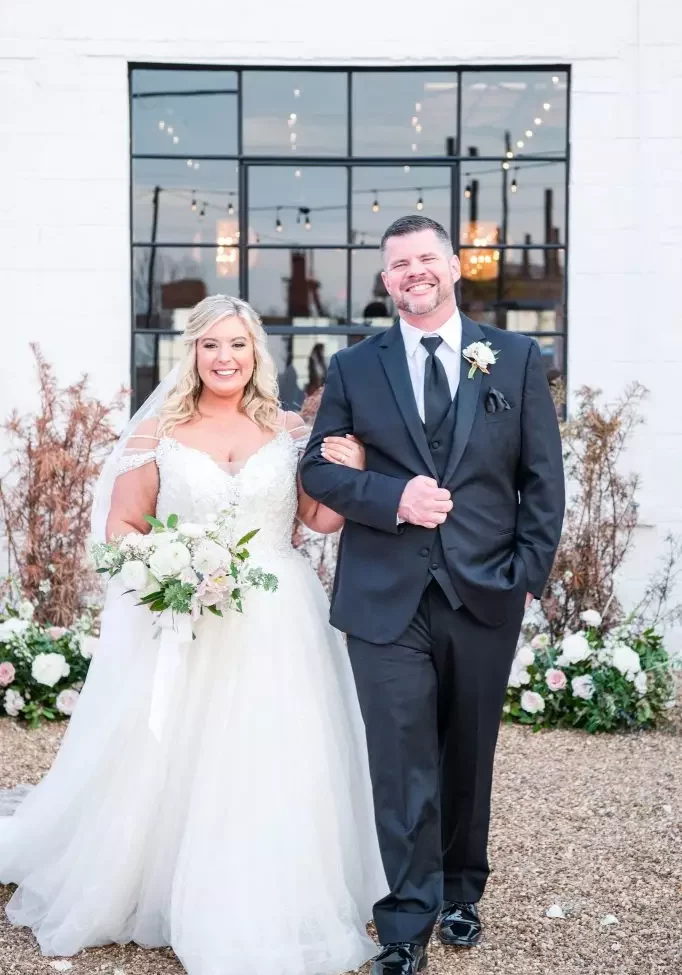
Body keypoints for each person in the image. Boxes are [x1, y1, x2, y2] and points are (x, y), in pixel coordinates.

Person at [0, 295, 388, 975]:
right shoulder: (159, 435)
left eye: (237, 344)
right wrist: (176, 568)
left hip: (280, 614)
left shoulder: (289, 428)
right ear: (194, 354)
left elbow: (317, 521)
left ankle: (270, 889)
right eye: (211, 345)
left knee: (277, 751)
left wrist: (350, 470)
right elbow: (123, 530)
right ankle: (158, 881)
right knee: (177, 754)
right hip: (189, 613)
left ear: (256, 353)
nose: (225, 357)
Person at [300, 215, 565, 975]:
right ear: (385, 282)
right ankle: (406, 919)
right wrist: (392, 495)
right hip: (382, 594)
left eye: (426, 259)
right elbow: (318, 472)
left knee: (467, 752)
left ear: (453, 267)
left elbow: (543, 481)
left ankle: (460, 889)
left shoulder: (514, 357)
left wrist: (523, 578)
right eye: (398, 264)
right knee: (399, 756)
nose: (413, 272)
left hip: (486, 591)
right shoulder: (354, 367)